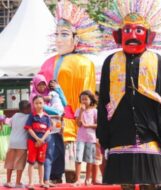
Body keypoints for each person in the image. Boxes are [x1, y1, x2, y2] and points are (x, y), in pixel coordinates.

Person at [97, 0, 161, 189]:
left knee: (151, 183)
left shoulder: (157, 61)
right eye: (127, 30)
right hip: (120, 132)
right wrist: (104, 136)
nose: (132, 35)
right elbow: (103, 101)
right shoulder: (111, 61)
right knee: (126, 184)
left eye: (139, 30)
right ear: (119, 35)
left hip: (151, 133)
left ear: (149, 35)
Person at [38, 0, 100, 182]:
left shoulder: (84, 63)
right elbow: (39, 89)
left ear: (76, 38)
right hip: (50, 119)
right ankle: (53, 176)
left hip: (74, 119)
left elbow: (87, 94)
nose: (58, 39)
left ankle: (77, 177)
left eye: (64, 34)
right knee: (51, 151)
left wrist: (79, 114)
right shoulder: (47, 62)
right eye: (56, 34)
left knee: (74, 157)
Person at [24, 95, 51, 189]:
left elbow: (48, 130)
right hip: (32, 142)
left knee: (41, 162)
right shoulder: (32, 116)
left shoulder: (47, 117)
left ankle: (41, 182)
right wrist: (37, 139)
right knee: (31, 162)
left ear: (44, 104)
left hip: (43, 143)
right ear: (33, 104)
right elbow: (29, 128)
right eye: (36, 103)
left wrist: (42, 139)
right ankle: (30, 183)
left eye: (40, 103)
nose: (39, 105)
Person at [3, 100, 31, 188]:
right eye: (30, 108)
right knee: (19, 164)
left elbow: (9, 124)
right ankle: (18, 183)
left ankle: (8, 181)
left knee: (10, 163)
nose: (31, 109)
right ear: (26, 109)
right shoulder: (29, 117)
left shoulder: (15, 115)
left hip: (12, 142)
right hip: (22, 144)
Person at [74, 90, 98, 186]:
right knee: (78, 159)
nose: (83, 101)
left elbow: (98, 124)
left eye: (86, 99)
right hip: (80, 138)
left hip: (91, 138)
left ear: (90, 100)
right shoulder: (78, 110)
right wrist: (81, 112)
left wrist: (88, 125)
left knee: (90, 160)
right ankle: (78, 179)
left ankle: (88, 179)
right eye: (82, 99)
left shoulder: (94, 111)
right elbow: (78, 124)